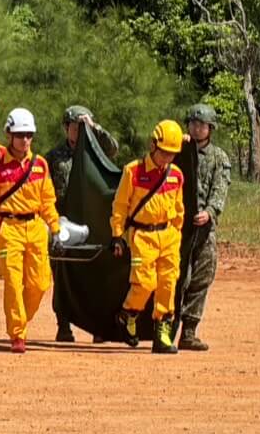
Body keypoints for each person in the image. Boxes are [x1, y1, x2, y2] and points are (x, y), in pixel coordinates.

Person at [0, 109, 61, 354]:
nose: (25, 140)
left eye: (28, 135)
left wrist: (55, 229)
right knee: (13, 283)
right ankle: (17, 334)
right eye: (20, 135)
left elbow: (48, 201)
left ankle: (21, 320)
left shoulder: (40, 166)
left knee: (40, 283)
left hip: (36, 228)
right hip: (9, 229)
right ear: (8, 135)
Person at [110, 120, 187, 355]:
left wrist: (176, 233)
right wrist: (117, 235)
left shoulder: (176, 175)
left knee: (167, 284)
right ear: (153, 146)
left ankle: (162, 334)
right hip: (142, 235)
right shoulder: (133, 171)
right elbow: (120, 206)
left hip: (169, 236)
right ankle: (128, 314)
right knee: (144, 284)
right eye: (164, 152)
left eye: (172, 154)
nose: (167, 158)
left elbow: (179, 209)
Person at [45, 104, 118, 342]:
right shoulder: (54, 157)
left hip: (90, 224)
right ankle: (63, 325)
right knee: (62, 276)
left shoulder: (95, 154)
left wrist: (95, 128)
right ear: (66, 128)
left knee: (94, 277)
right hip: (64, 223)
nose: (79, 130)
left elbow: (113, 149)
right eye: (75, 126)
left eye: (82, 126)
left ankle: (98, 327)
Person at [178, 104, 232, 352]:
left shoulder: (219, 157)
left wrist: (209, 212)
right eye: (193, 124)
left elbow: (220, 190)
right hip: (176, 226)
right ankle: (165, 328)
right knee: (176, 277)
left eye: (202, 125)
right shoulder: (176, 150)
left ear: (211, 129)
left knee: (201, 277)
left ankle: (188, 332)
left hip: (203, 228)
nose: (197, 128)